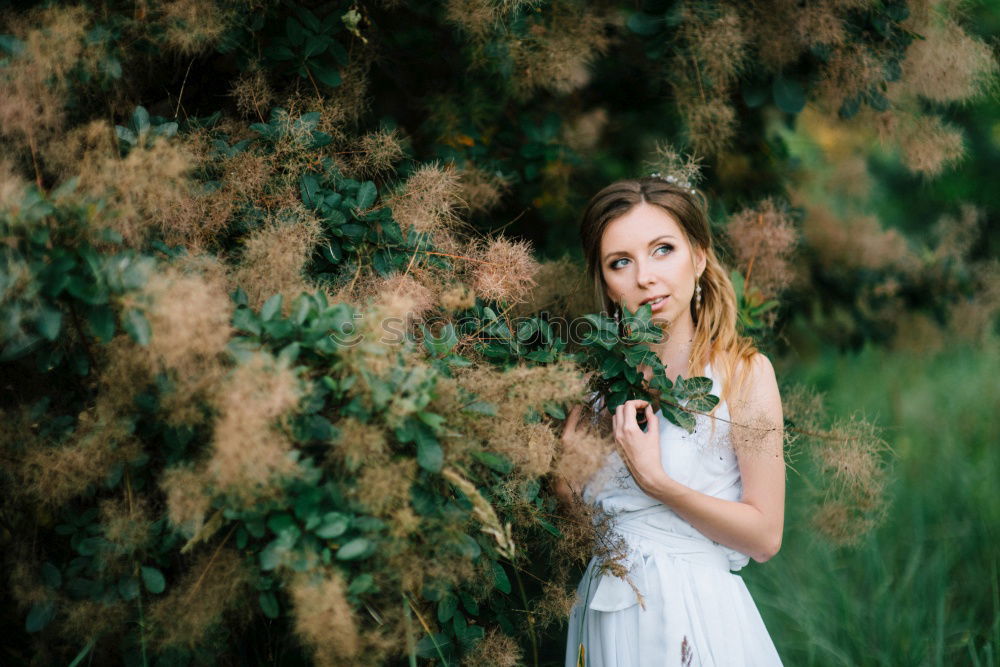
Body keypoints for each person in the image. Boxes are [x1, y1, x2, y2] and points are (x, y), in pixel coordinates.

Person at [557, 176, 785, 666]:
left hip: (696, 617)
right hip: (605, 619)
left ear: (698, 257)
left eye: (663, 250)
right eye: (621, 262)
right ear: (606, 281)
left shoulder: (743, 376)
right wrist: (563, 490)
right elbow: (604, 538)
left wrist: (659, 483)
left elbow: (766, 537)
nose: (644, 277)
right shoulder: (594, 392)